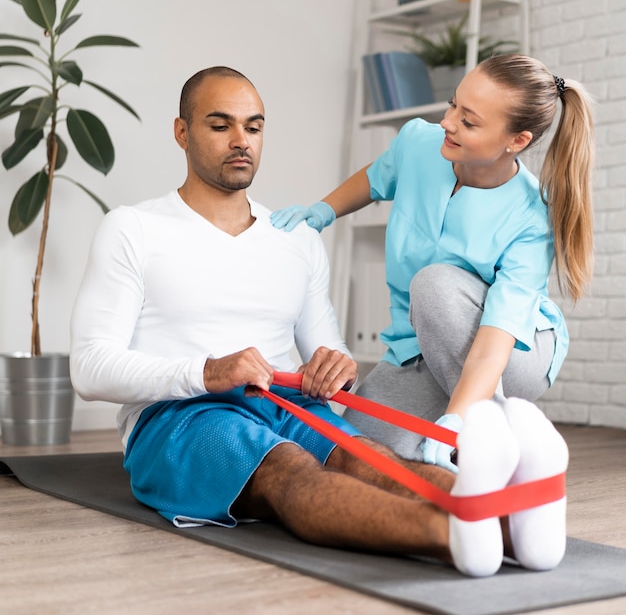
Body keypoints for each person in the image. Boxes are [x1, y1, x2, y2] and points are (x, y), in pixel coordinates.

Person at [70, 65, 569, 578]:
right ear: (182, 132)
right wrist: (207, 373)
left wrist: (336, 367)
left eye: (254, 126)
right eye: (220, 126)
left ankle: (518, 525)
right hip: (181, 416)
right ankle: (452, 534)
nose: (241, 141)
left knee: (367, 456)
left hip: (287, 403)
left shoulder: (293, 236)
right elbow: (88, 369)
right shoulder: (133, 228)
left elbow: (329, 352)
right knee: (289, 471)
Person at [271, 54, 595, 473]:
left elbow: (494, 341)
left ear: (516, 141)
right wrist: (323, 210)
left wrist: (457, 425)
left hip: (511, 353)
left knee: (435, 284)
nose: (448, 122)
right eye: (452, 104)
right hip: (417, 349)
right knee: (349, 455)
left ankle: (492, 432)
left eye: (470, 121)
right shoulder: (420, 143)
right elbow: (376, 177)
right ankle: (468, 426)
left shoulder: (531, 219)